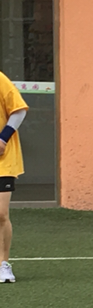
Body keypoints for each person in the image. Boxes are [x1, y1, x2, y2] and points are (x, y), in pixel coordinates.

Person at [0, 70, 29, 284]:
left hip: (3, 161)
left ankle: (3, 264)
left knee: (1, 214)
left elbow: (19, 110)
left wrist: (3, 138)